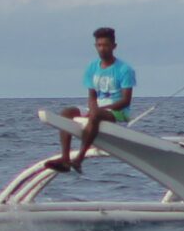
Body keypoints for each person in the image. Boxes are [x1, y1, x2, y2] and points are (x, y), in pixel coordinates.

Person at [50, 27, 135, 173]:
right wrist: (93, 108)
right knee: (67, 112)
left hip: (117, 112)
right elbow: (92, 96)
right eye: (99, 45)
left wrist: (98, 111)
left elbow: (126, 101)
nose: (102, 49)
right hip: (96, 109)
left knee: (95, 115)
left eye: (106, 45)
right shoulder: (92, 67)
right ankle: (65, 158)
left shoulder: (125, 70)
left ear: (114, 46)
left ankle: (79, 159)